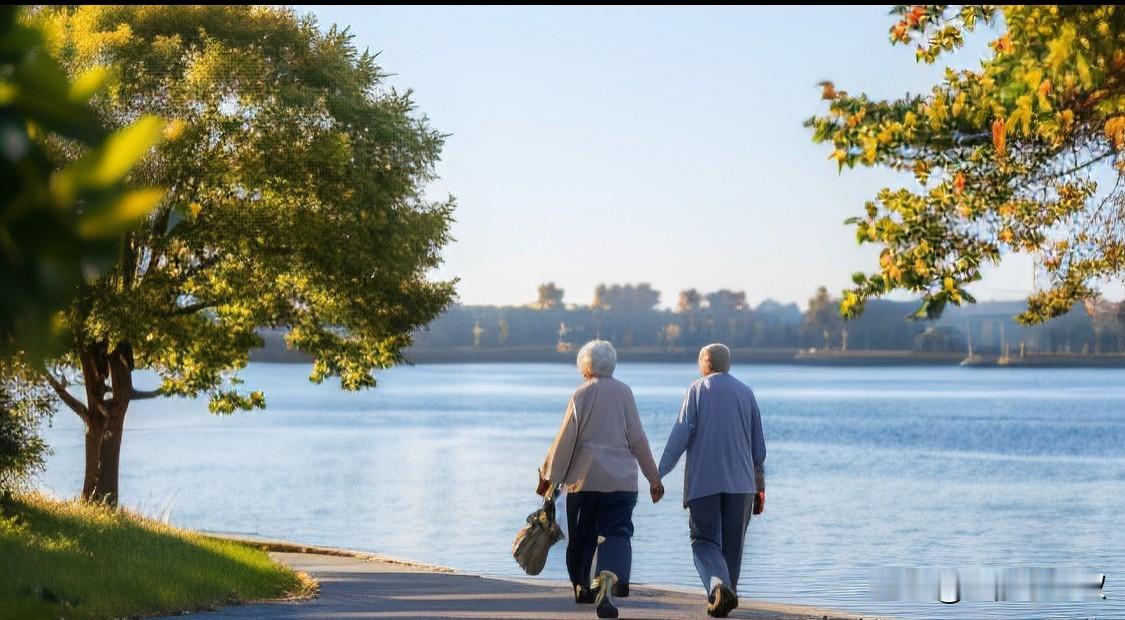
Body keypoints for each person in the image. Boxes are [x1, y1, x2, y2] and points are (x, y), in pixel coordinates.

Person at [539, 339, 665, 619]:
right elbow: (638, 439)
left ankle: (582, 586)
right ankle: (609, 581)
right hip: (621, 483)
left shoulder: (581, 394)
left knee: (582, 537)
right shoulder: (625, 393)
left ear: (585, 366)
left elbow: (565, 441)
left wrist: (550, 478)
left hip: (584, 482)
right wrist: (653, 478)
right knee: (618, 532)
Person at [658, 343, 767, 618]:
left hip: (703, 483)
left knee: (704, 540)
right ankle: (726, 595)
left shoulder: (696, 390)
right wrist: (760, 488)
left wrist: (658, 473)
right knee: (733, 545)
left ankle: (718, 586)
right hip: (742, 484)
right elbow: (759, 450)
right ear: (727, 364)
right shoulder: (746, 393)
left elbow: (679, 437)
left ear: (704, 364)